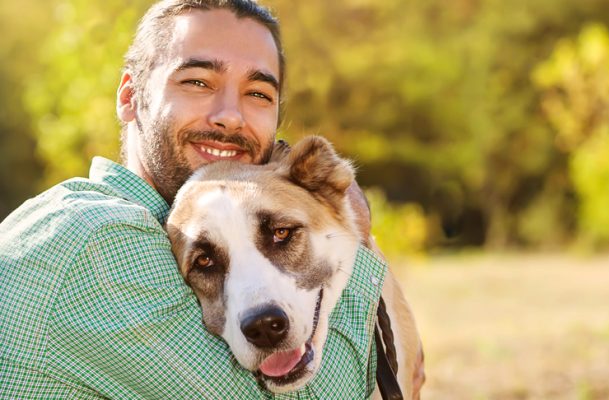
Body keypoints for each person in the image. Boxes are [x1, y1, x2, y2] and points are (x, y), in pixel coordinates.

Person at [0, 0, 389, 398]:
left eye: (257, 93)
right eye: (198, 82)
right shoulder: (97, 241)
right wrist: (346, 224)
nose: (230, 116)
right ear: (129, 96)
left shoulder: (163, 230)